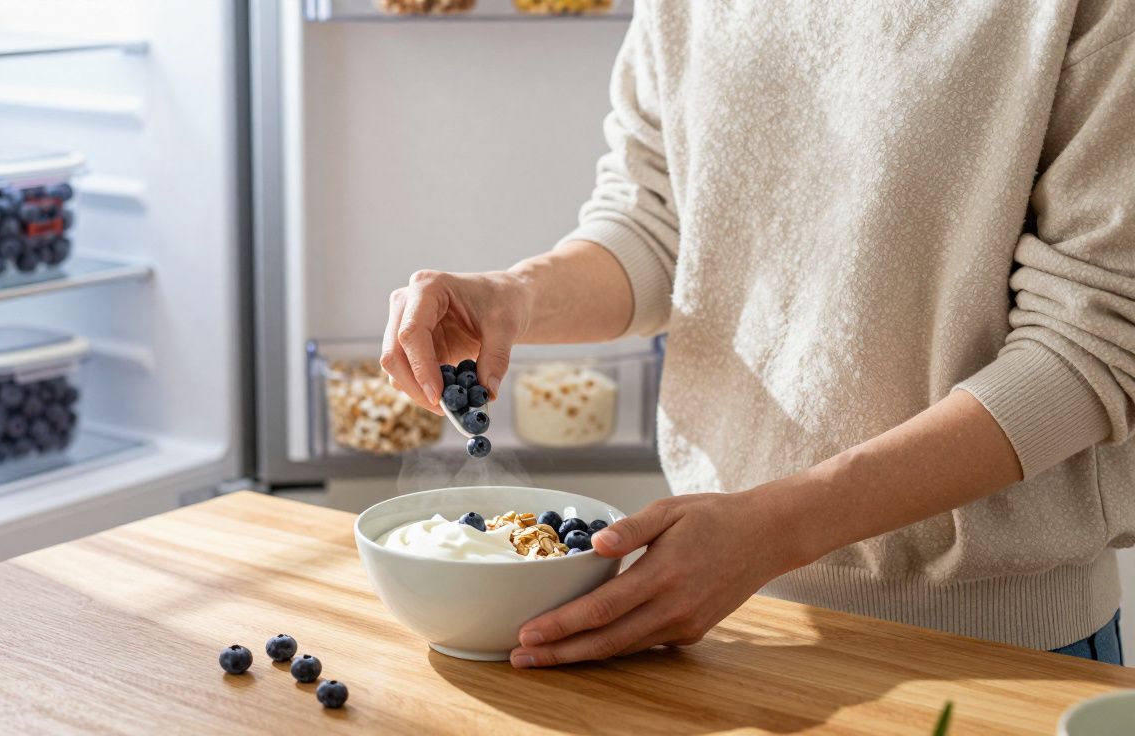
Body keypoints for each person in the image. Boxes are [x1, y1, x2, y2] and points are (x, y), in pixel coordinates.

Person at [380, 1, 1134, 667]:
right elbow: (662, 220)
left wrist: (775, 529)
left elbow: (1092, 342)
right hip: (713, 627)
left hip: (999, 650)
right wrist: (516, 294)